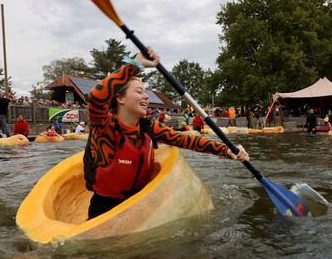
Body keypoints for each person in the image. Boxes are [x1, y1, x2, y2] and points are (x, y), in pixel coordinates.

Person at [84, 48, 250, 220]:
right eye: (139, 92)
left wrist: (227, 150)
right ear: (120, 98)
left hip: (139, 203)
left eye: (146, 92)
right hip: (104, 209)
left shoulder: (149, 127)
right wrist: (134, 65)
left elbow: (186, 141)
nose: (146, 97)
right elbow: (96, 98)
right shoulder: (104, 126)